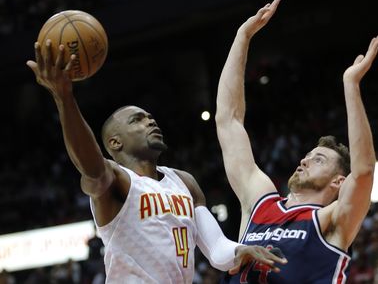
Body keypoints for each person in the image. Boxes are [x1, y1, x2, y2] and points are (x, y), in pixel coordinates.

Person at [26, 39, 287, 284]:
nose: (150, 121)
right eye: (137, 120)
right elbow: (91, 167)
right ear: (115, 142)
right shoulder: (116, 181)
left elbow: (217, 250)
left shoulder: (184, 182)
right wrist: (64, 97)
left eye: (150, 117)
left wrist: (242, 250)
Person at [215, 0, 378, 283]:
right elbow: (228, 122)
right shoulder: (260, 202)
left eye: (319, 159)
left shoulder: (333, 221)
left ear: (338, 182)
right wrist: (243, 36)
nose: (304, 160)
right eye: (308, 155)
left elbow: (364, 171)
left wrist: (351, 85)